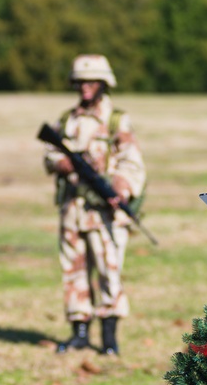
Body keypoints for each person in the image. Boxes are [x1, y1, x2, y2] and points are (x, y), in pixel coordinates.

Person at [43, 54, 147, 356]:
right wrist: (63, 162)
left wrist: (120, 186)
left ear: (103, 84)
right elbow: (50, 154)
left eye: (91, 82)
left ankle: (109, 338)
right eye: (81, 82)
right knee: (73, 270)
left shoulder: (116, 119)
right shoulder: (67, 120)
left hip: (103, 212)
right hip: (72, 209)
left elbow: (131, 161)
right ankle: (79, 331)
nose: (85, 87)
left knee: (107, 271)